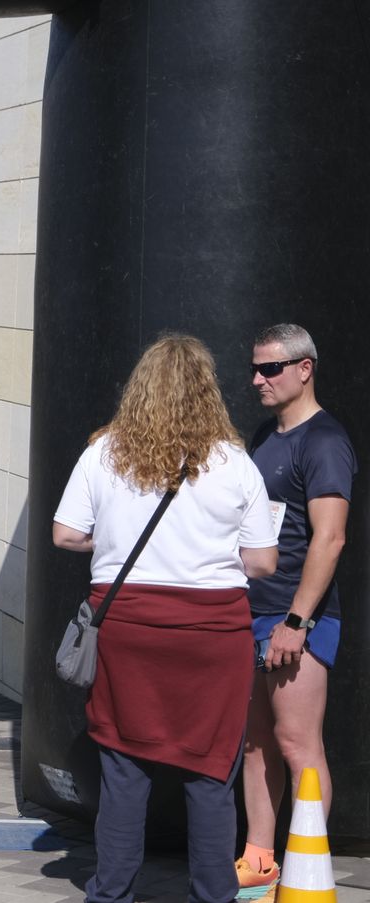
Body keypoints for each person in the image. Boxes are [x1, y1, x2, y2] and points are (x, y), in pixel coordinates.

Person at [51, 334, 277, 903]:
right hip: (214, 639)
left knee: (125, 774)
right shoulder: (235, 464)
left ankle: (111, 893)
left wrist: (121, 545)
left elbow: (65, 534)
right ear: (209, 392)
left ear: (140, 389)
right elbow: (262, 562)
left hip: (127, 631)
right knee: (209, 778)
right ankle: (212, 895)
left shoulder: (103, 453)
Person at [237, 324, 356, 896]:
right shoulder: (264, 436)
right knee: (256, 742)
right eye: (256, 369)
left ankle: (305, 870)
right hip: (250, 612)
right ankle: (259, 864)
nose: (257, 379)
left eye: (270, 369)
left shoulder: (325, 441)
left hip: (295, 620)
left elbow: (329, 539)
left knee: (296, 743)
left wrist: (296, 622)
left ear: (304, 368)